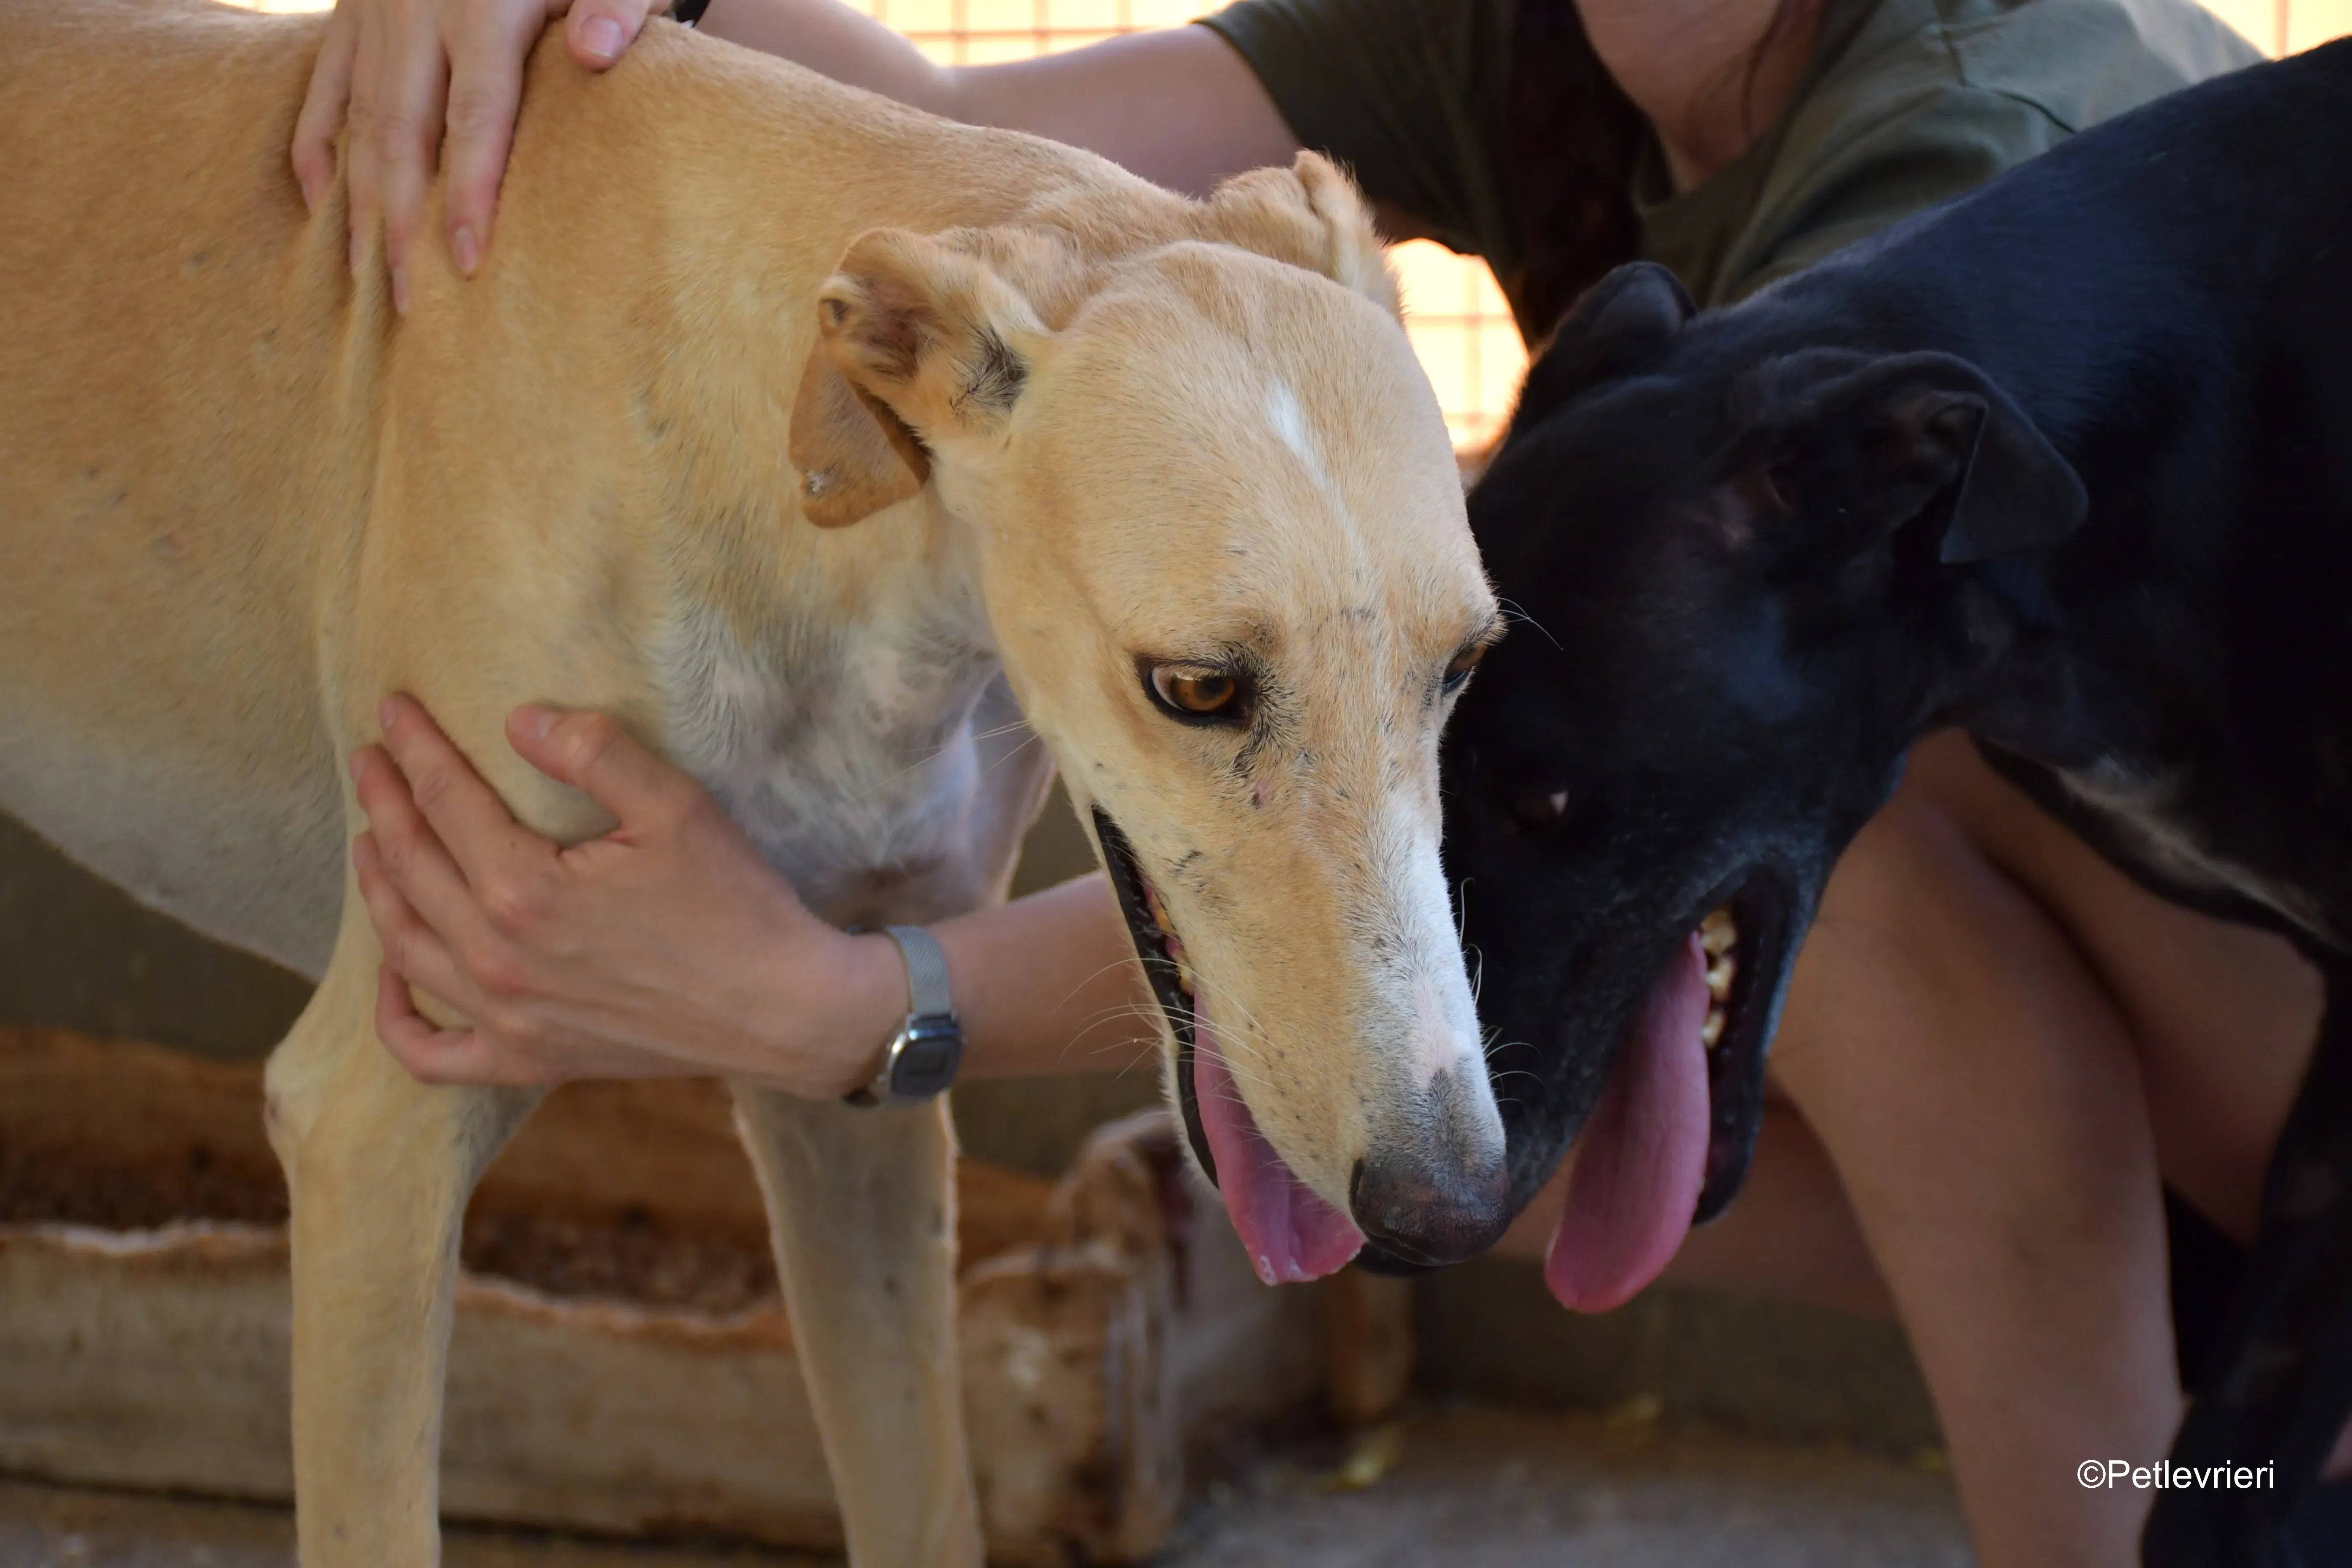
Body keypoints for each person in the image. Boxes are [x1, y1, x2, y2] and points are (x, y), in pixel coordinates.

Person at [299, 0, 2329, 1561]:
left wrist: (864, 1006)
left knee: (1783, 883)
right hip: (2147, 1069)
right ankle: (2186, 1434)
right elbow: (963, 156)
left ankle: (2154, 1496)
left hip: (2279, 1096)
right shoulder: (1549, 36)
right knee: (1463, 1106)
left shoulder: (1975, 151)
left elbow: (1495, 769)